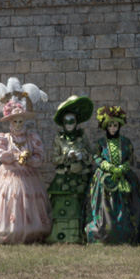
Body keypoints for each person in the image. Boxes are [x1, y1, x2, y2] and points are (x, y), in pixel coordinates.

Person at [0, 97, 52, 244]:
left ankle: (31, 231)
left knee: (28, 204)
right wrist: (17, 156)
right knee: (9, 201)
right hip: (9, 177)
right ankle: (7, 231)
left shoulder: (32, 137)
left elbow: (40, 157)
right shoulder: (3, 138)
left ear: (24, 122)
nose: (17, 124)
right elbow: (0, 155)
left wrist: (29, 159)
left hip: (29, 178)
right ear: (10, 122)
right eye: (14, 121)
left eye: (20, 121)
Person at [85, 106, 140, 244]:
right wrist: (109, 167)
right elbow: (97, 157)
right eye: (110, 125)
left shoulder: (126, 142)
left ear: (119, 126)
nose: (113, 128)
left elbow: (130, 158)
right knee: (104, 207)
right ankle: (104, 234)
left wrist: (122, 169)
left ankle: (127, 236)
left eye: (115, 125)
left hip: (124, 177)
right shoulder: (101, 143)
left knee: (132, 205)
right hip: (104, 179)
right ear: (105, 126)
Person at [47, 96, 94, 244]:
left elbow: (92, 156)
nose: (69, 124)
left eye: (71, 121)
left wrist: (83, 155)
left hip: (80, 178)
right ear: (62, 122)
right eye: (66, 121)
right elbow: (54, 159)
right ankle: (60, 236)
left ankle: (78, 236)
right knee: (62, 205)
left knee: (79, 205)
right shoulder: (58, 139)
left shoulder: (82, 137)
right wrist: (66, 156)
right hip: (64, 178)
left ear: (76, 122)